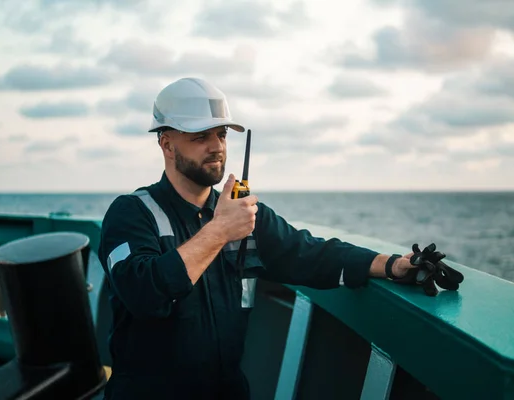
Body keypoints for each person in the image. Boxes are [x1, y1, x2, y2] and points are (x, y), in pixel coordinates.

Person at [97, 77, 418, 399]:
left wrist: (392, 265)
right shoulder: (131, 213)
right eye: (200, 137)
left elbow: (308, 253)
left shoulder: (244, 215)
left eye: (221, 135)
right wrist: (220, 230)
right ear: (166, 144)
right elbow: (143, 293)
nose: (217, 147)